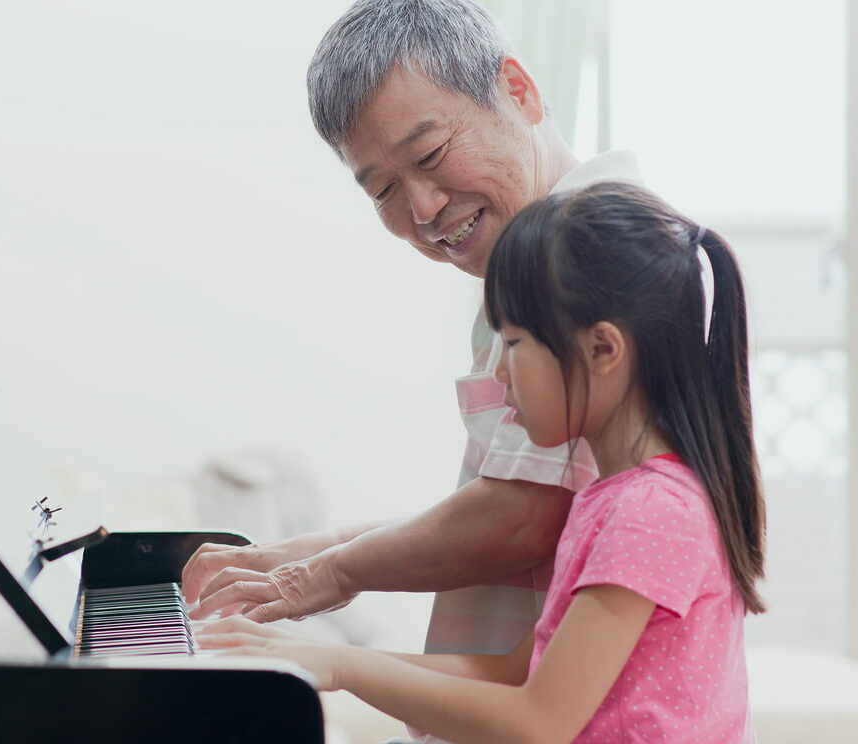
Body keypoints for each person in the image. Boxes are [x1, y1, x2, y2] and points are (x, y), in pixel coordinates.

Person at [200, 181, 766, 744]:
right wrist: (318, 660)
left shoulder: (650, 512)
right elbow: (510, 673)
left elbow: (538, 722)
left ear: (601, 349)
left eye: (514, 343)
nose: (499, 374)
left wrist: (340, 666)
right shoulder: (613, 499)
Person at [183, 0, 640, 659]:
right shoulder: (532, 261)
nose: (422, 209)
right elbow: (509, 495)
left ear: (520, 92)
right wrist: (311, 553)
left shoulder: (589, 252)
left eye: (429, 154)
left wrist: (330, 573)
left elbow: (522, 520)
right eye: (383, 191)